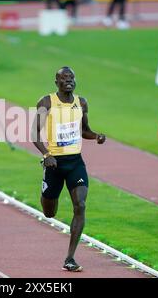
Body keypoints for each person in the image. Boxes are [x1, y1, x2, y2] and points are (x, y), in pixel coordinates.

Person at [32, 66, 105, 272]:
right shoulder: (46, 102)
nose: (69, 81)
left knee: (80, 205)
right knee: (49, 212)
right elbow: (34, 132)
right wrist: (46, 155)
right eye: (64, 78)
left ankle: (70, 258)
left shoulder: (81, 102)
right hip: (54, 164)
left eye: (71, 77)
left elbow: (84, 131)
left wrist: (97, 136)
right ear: (56, 82)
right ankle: (46, 192)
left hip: (75, 163)